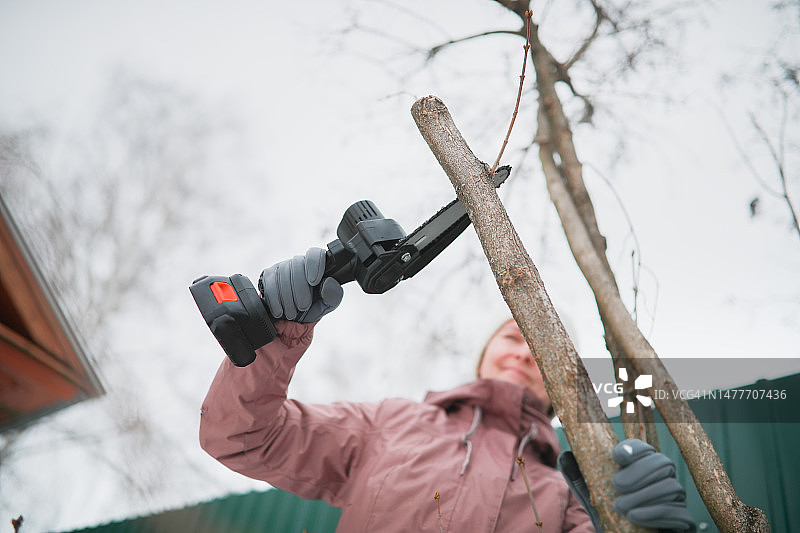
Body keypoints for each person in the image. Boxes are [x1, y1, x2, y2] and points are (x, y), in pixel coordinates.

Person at [199, 248, 695, 532]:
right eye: (511, 337)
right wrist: (276, 335)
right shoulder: (390, 425)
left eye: (540, 353)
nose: (524, 354)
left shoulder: (568, 498)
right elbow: (244, 438)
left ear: (562, 381)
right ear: (481, 356)